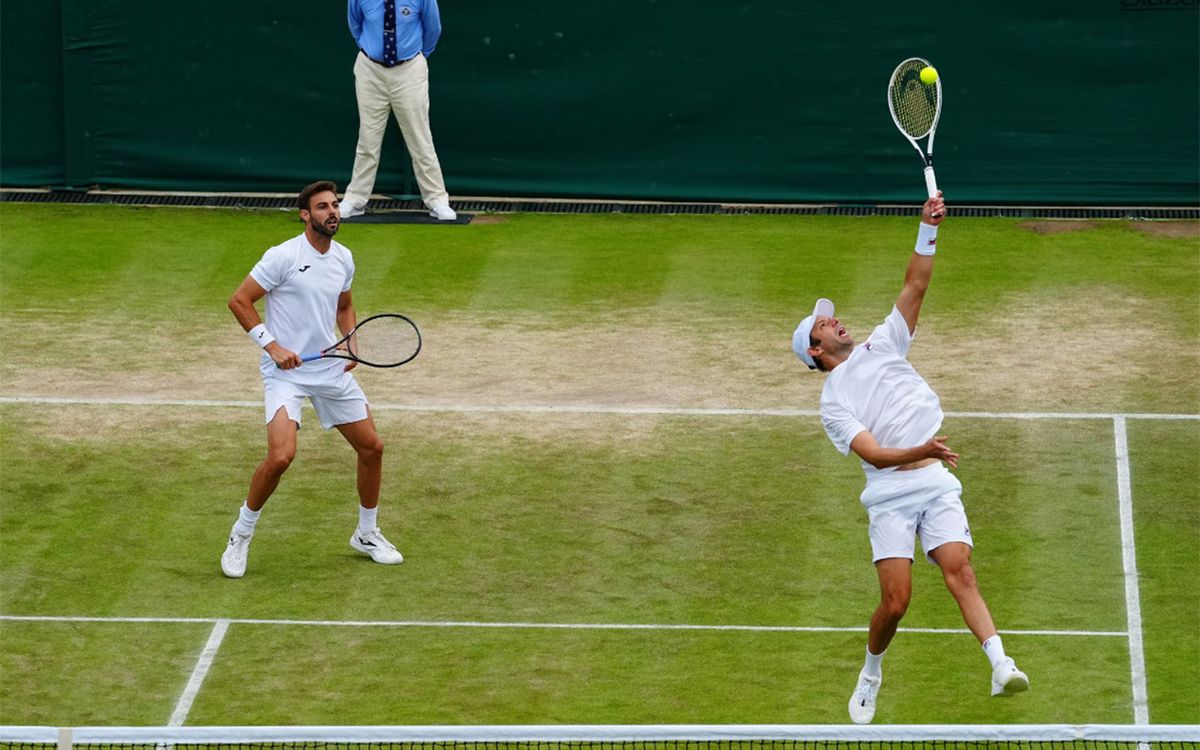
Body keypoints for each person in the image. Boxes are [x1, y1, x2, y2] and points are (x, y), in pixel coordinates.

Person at [791, 193, 1028, 724]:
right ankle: (871, 673)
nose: (834, 323)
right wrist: (920, 448)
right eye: (823, 326)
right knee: (896, 602)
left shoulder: (884, 343)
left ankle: (1000, 663)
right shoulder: (833, 402)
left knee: (960, 570)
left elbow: (915, 283)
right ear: (814, 352)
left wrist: (927, 228)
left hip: (935, 480)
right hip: (891, 495)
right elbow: (873, 453)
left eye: (831, 319)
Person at [221, 180, 404, 578]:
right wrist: (272, 347)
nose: (332, 212)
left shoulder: (343, 258)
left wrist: (350, 338)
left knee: (372, 447)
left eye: (335, 205)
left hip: (329, 369)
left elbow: (345, 305)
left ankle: (367, 533)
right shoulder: (282, 256)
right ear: (305, 215)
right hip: (286, 375)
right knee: (282, 456)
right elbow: (239, 300)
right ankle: (241, 533)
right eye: (322, 207)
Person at [341, 0, 457, 222]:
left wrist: (415, 58)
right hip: (370, 69)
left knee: (420, 138)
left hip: (410, 69)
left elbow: (433, 29)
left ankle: (437, 201)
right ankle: (355, 200)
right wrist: (372, 52)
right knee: (368, 138)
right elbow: (355, 24)